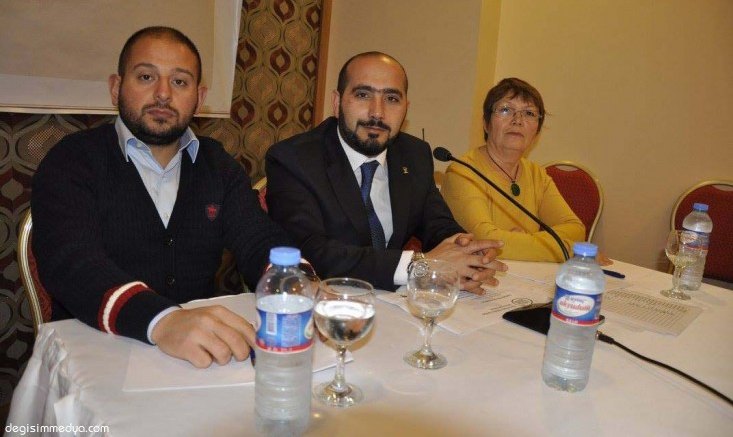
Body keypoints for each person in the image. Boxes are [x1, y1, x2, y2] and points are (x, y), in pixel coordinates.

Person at [31, 26, 292, 368]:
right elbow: (71, 263)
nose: (163, 94)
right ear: (116, 88)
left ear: (199, 98)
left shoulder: (217, 164)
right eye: (146, 77)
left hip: (199, 357)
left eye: (180, 82)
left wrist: (296, 283)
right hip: (97, 352)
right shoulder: (73, 160)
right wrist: (162, 320)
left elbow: (258, 237)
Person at [265, 51, 507, 293]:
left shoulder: (414, 154)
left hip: (393, 302)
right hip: (330, 300)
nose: (377, 113)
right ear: (337, 103)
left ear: (406, 109)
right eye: (363, 95)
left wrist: (468, 253)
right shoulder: (294, 159)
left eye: (391, 99)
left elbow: (437, 223)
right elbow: (309, 250)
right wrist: (418, 266)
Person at [441, 77, 604, 263]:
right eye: (505, 110)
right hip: (475, 274)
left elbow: (575, 229)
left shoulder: (537, 174)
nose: (517, 120)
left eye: (529, 113)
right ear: (486, 123)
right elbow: (484, 238)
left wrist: (523, 242)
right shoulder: (462, 171)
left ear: (537, 131)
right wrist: (566, 249)